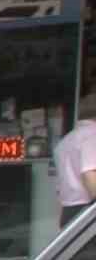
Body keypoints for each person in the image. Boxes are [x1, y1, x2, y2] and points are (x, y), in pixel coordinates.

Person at [54, 93, 96, 227]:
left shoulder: (66, 140)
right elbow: (89, 174)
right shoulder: (92, 134)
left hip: (68, 211)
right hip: (87, 212)